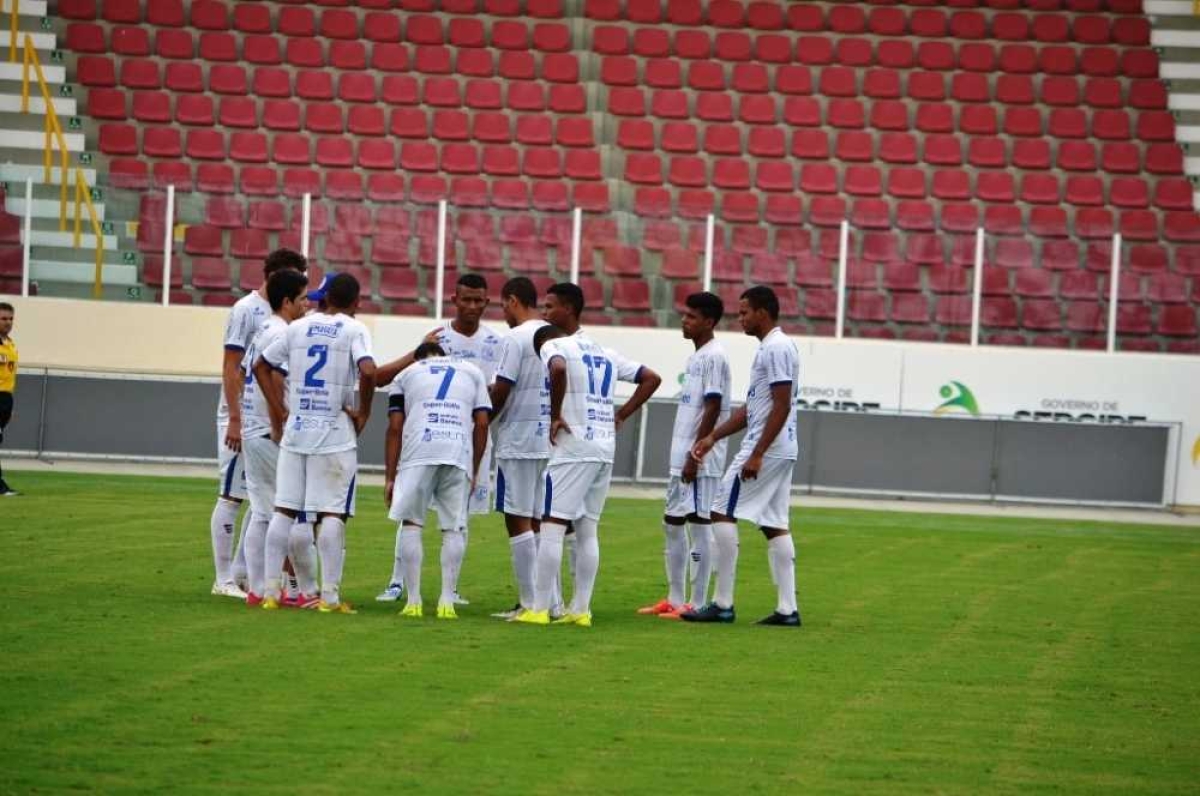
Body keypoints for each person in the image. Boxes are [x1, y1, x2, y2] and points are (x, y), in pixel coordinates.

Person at [516, 285, 662, 627]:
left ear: (568, 309)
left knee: (552, 525)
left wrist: (554, 415)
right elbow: (652, 378)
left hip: (573, 447)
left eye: (550, 307)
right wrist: (622, 413)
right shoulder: (605, 351)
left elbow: (558, 370)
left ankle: (538, 609)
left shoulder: (555, 344)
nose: (544, 314)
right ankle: (581, 610)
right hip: (603, 447)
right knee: (587, 529)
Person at [376, 273, 503, 605]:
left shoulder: (496, 343)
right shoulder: (436, 337)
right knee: (412, 509)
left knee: (458, 515)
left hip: (472, 437)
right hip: (433, 434)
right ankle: (396, 581)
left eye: (479, 300)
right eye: (466, 299)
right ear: (454, 300)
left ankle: (452, 587)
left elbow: (498, 393)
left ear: (487, 303)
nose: (472, 306)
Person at [254, 272, 376, 614]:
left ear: (324, 299)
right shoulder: (354, 329)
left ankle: (270, 593)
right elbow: (368, 371)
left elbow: (261, 365)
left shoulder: (297, 328)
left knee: (284, 509)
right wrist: (364, 411)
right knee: (332, 513)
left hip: (297, 429)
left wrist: (280, 411)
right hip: (334, 433)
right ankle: (330, 598)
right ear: (355, 302)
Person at [684, 286, 802, 627]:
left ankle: (722, 603)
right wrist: (712, 436)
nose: (740, 318)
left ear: (763, 312)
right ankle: (787, 609)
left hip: (767, 446)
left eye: (744, 312)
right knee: (774, 523)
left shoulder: (776, 348)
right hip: (782, 446)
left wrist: (758, 453)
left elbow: (781, 405)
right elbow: (753, 409)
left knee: (720, 510)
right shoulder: (772, 347)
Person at [210, 249, 308, 599]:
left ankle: (244, 575)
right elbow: (231, 365)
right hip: (248, 417)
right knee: (233, 495)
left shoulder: (277, 322)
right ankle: (223, 578)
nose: (306, 300)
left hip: (258, 417)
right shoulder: (246, 310)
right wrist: (234, 418)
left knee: (260, 502)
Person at [638, 292, 731, 619]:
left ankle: (696, 601)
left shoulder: (714, 356)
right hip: (683, 456)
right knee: (672, 523)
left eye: (692, 316)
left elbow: (714, 404)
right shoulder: (697, 357)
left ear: (709, 322)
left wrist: (697, 451)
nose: (684, 320)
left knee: (700, 524)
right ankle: (675, 598)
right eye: (685, 314)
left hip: (700, 457)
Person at [384, 342, 490, 620]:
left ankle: (414, 600)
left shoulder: (406, 375)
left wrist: (389, 477)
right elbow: (481, 423)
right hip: (457, 451)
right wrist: (475, 467)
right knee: (453, 527)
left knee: (412, 523)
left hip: (419, 450)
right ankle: (446, 599)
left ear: (418, 359)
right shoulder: (471, 371)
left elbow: (395, 427)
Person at [237, 269, 311, 606]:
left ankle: (258, 589)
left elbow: (245, 372)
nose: (307, 304)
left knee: (262, 511)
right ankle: (296, 589)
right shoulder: (285, 332)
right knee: (287, 510)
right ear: (287, 301)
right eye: (302, 298)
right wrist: (279, 421)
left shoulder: (263, 329)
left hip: (253, 428)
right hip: (269, 431)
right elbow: (275, 378)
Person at [487, 277, 549, 619]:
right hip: (548, 440)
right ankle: (547, 600)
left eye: (503, 305)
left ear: (512, 301)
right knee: (540, 521)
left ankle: (529, 603)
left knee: (517, 518)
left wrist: (481, 421)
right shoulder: (555, 334)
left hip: (518, 440)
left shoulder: (514, 338)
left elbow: (502, 389)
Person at [0, 301, 18, 497]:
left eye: (11, 319)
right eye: (4, 318)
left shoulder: (10, 344)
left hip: (5, 398)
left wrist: (8, 406)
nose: (8, 322)